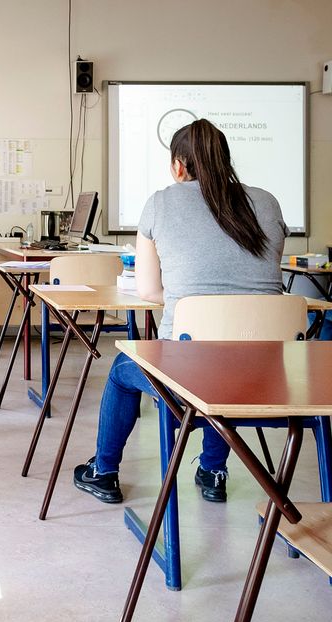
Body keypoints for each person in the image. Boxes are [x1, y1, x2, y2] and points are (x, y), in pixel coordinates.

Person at [74, 119, 286, 504]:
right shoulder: (268, 201)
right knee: (227, 359)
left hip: (187, 374)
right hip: (265, 373)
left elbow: (150, 290)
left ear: (178, 166)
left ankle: (103, 472)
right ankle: (213, 470)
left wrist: (190, 294)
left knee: (123, 373)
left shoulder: (161, 202)